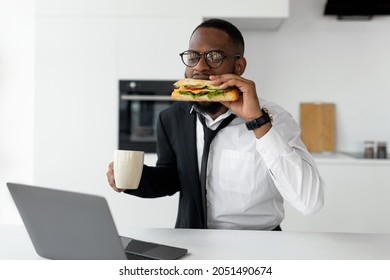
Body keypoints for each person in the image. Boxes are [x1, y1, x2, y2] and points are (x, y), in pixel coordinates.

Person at [107, 18, 324, 230]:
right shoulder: (171, 117)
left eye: (214, 56)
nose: (200, 67)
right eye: (193, 56)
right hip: (190, 240)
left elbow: (310, 203)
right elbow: (170, 178)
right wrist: (132, 180)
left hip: (257, 244)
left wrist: (257, 122)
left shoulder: (274, 118)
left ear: (239, 66)